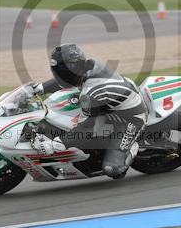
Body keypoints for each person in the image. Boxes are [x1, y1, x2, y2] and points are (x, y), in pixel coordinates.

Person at [30, 44, 147, 179]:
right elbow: (66, 80)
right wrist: (39, 88)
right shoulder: (88, 66)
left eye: (60, 72)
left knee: (112, 169)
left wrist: (55, 145)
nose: (58, 75)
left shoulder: (90, 93)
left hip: (132, 118)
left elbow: (87, 129)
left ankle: (132, 147)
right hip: (112, 107)